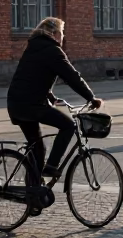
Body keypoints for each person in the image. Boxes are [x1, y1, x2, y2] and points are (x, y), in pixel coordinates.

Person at [7, 17, 103, 180]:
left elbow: (32, 75)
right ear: (55, 33)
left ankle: (34, 193)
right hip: (32, 105)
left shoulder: (33, 46)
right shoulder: (52, 50)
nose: (63, 37)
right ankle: (51, 167)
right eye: (62, 33)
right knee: (68, 125)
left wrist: (50, 95)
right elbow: (72, 77)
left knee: (37, 148)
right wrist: (91, 98)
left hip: (16, 104)